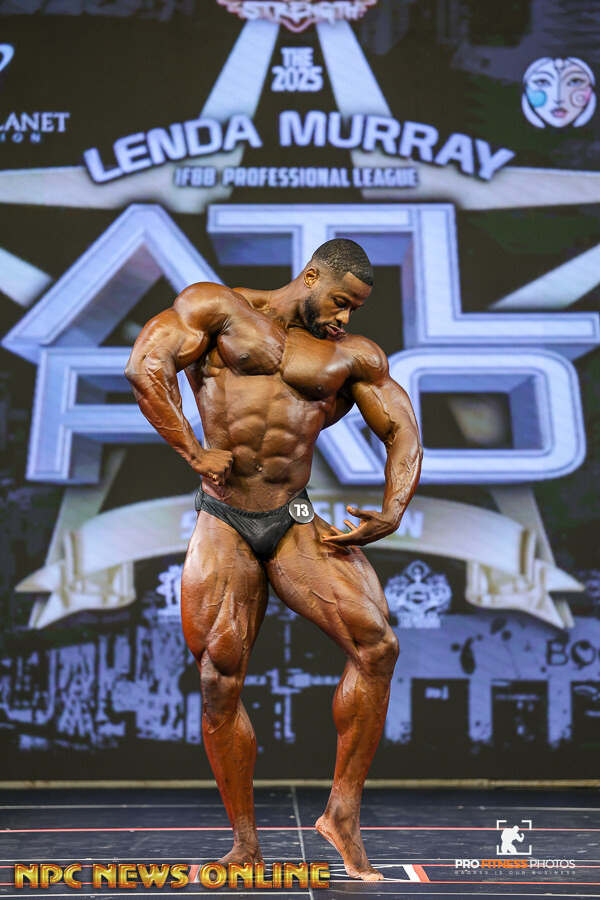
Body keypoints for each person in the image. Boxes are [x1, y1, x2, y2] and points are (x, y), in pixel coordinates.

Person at [125, 238, 422, 881]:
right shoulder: (216, 308)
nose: (344, 317)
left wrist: (394, 509)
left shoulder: (353, 354)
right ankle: (244, 844)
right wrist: (192, 451)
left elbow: (401, 429)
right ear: (311, 277)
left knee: (377, 645)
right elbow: (146, 366)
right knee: (218, 678)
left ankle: (341, 814)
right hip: (224, 519)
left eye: (354, 308)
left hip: (293, 517)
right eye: (339, 301)